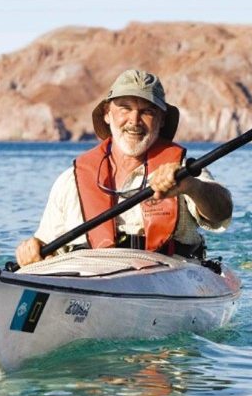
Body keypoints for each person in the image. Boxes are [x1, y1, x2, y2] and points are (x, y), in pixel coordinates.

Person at [15, 69, 233, 266]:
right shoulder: (70, 180)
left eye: (147, 111)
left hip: (171, 278)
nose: (134, 120)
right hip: (92, 281)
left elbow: (221, 212)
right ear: (108, 115)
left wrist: (192, 186)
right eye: (125, 109)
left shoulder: (183, 170)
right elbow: (44, 245)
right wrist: (32, 250)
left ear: (162, 120)